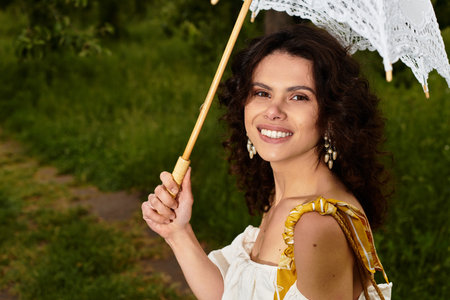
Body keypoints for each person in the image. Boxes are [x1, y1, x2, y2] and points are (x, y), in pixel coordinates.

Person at [142, 24, 393, 300]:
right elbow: (233, 293)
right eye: (262, 92)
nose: (273, 111)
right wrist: (177, 233)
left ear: (333, 116)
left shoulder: (315, 225)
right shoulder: (284, 201)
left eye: (298, 97)